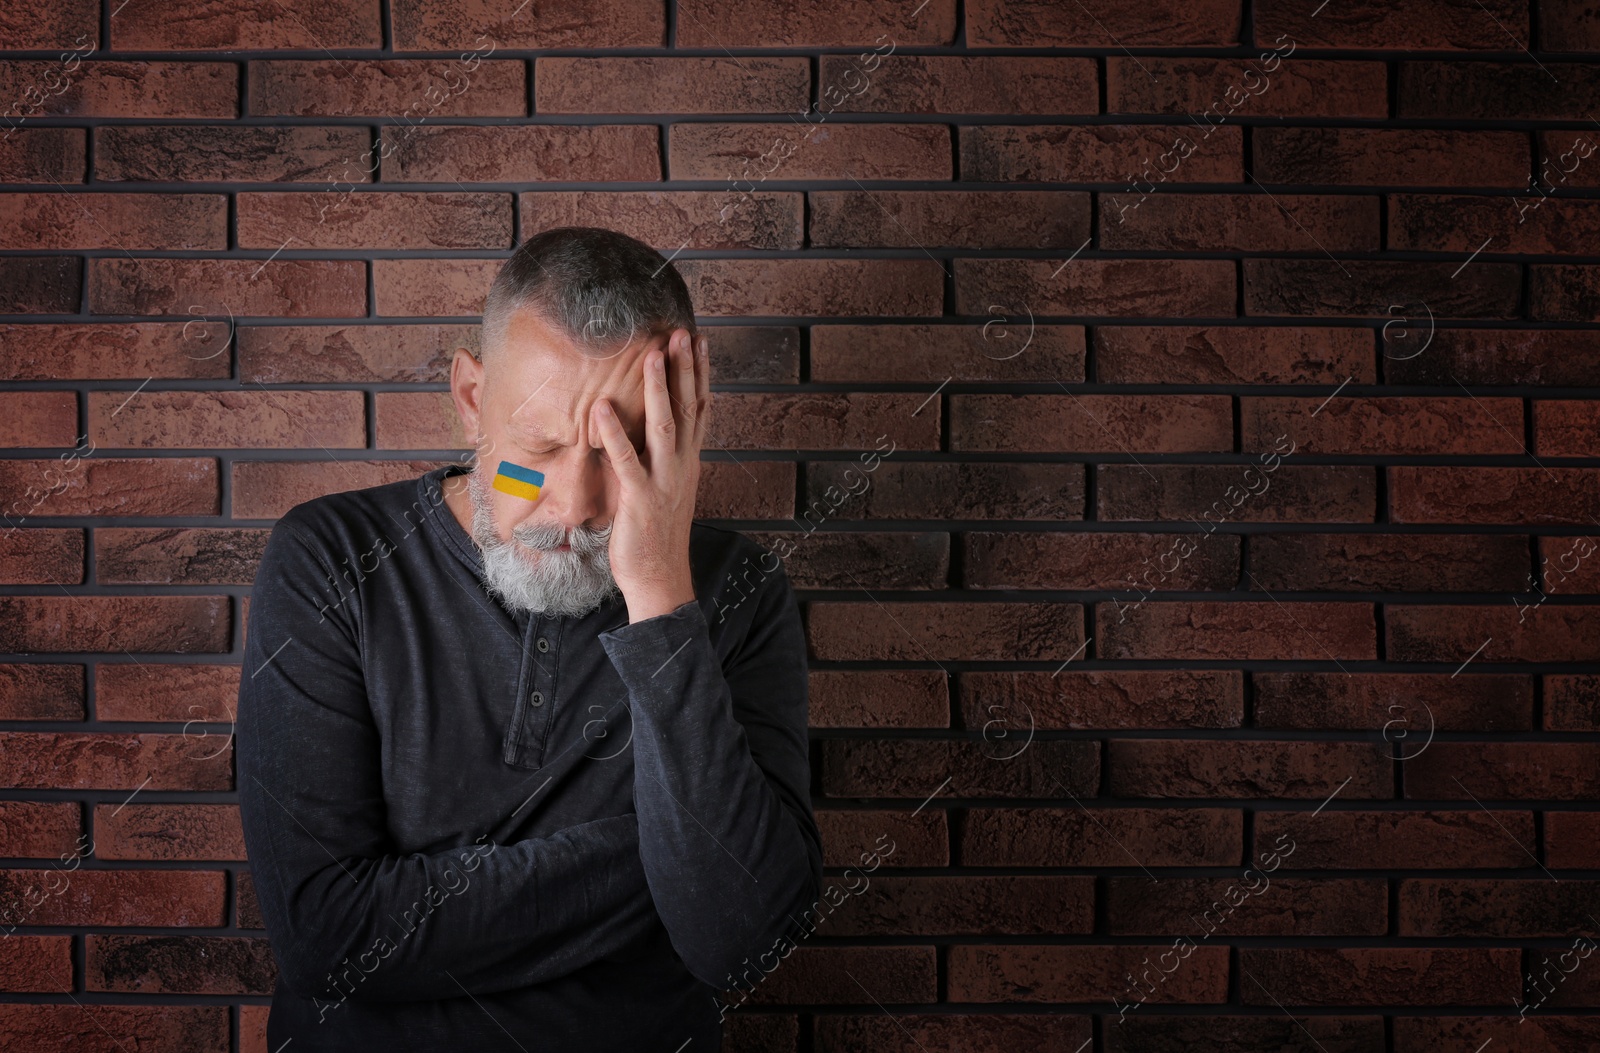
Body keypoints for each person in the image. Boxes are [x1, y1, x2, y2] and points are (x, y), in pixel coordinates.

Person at [237, 227, 822, 1051]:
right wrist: (654, 862)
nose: (574, 506)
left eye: (621, 454)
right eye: (538, 450)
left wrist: (660, 596)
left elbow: (740, 933)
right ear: (472, 400)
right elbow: (327, 940)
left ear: (682, 427)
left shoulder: (738, 592)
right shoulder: (329, 561)